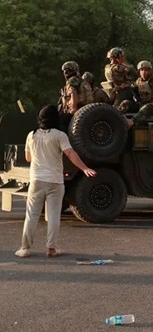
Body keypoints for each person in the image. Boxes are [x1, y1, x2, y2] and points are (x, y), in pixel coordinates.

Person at [14, 105, 96, 258]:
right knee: (53, 216)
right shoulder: (60, 135)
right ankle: (51, 249)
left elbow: (28, 158)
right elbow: (70, 153)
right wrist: (84, 168)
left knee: (31, 215)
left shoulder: (31, 135)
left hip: (37, 180)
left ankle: (25, 248)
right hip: (55, 181)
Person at [125, 61, 153, 128]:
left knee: (147, 106)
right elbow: (133, 86)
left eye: (146, 70)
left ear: (150, 71)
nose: (143, 72)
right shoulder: (139, 81)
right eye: (141, 70)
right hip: (143, 104)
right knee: (126, 103)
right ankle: (115, 117)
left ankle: (132, 122)